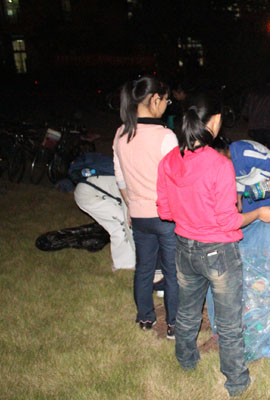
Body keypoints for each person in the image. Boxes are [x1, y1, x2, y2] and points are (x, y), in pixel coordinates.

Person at [156, 94, 270, 397]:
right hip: (219, 253)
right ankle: (237, 382)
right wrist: (258, 214)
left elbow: (165, 212)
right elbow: (230, 221)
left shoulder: (169, 161)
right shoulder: (220, 165)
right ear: (215, 121)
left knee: (187, 311)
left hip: (184, 248)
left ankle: (186, 360)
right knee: (228, 323)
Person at [112, 75, 179, 339]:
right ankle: (173, 324)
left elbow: (120, 179)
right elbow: (175, 180)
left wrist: (133, 204)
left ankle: (145, 318)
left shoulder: (121, 133)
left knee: (144, 268)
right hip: (165, 216)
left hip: (139, 215)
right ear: (154, 99)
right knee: (173, 272)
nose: (166, 106)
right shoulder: (165, 136)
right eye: (166, 101)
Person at [74, 174, 135, 271]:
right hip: (87, 193)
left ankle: (126, 261)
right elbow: (130, 223)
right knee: (121, 224)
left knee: (123, 222)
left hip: (98, 191)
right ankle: (123, 265)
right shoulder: (133, 188)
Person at [213, 136, 270, 212]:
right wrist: (239, 198)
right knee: (248, 215)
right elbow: (239, 178)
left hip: (266, 182)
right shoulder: (224, 161)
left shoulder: (245, 153)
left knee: (266, 214)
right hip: (249, 185)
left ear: (222, 151)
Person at [242, 78, 270, 161]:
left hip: (256, 127)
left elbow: (246, 113)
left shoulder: (252, 93)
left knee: (259, 152)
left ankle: (260, 167)